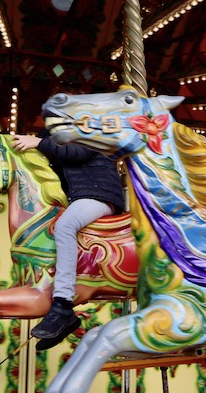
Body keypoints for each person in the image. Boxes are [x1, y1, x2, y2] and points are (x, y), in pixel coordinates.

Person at [13, 125, 124, 348]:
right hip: (80, 198)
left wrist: (38, 143)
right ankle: (64, 316)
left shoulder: (90, 131)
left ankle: (62, 304)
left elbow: (76, 153)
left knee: (65, 226)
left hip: (98, 194)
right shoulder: (53, 138)